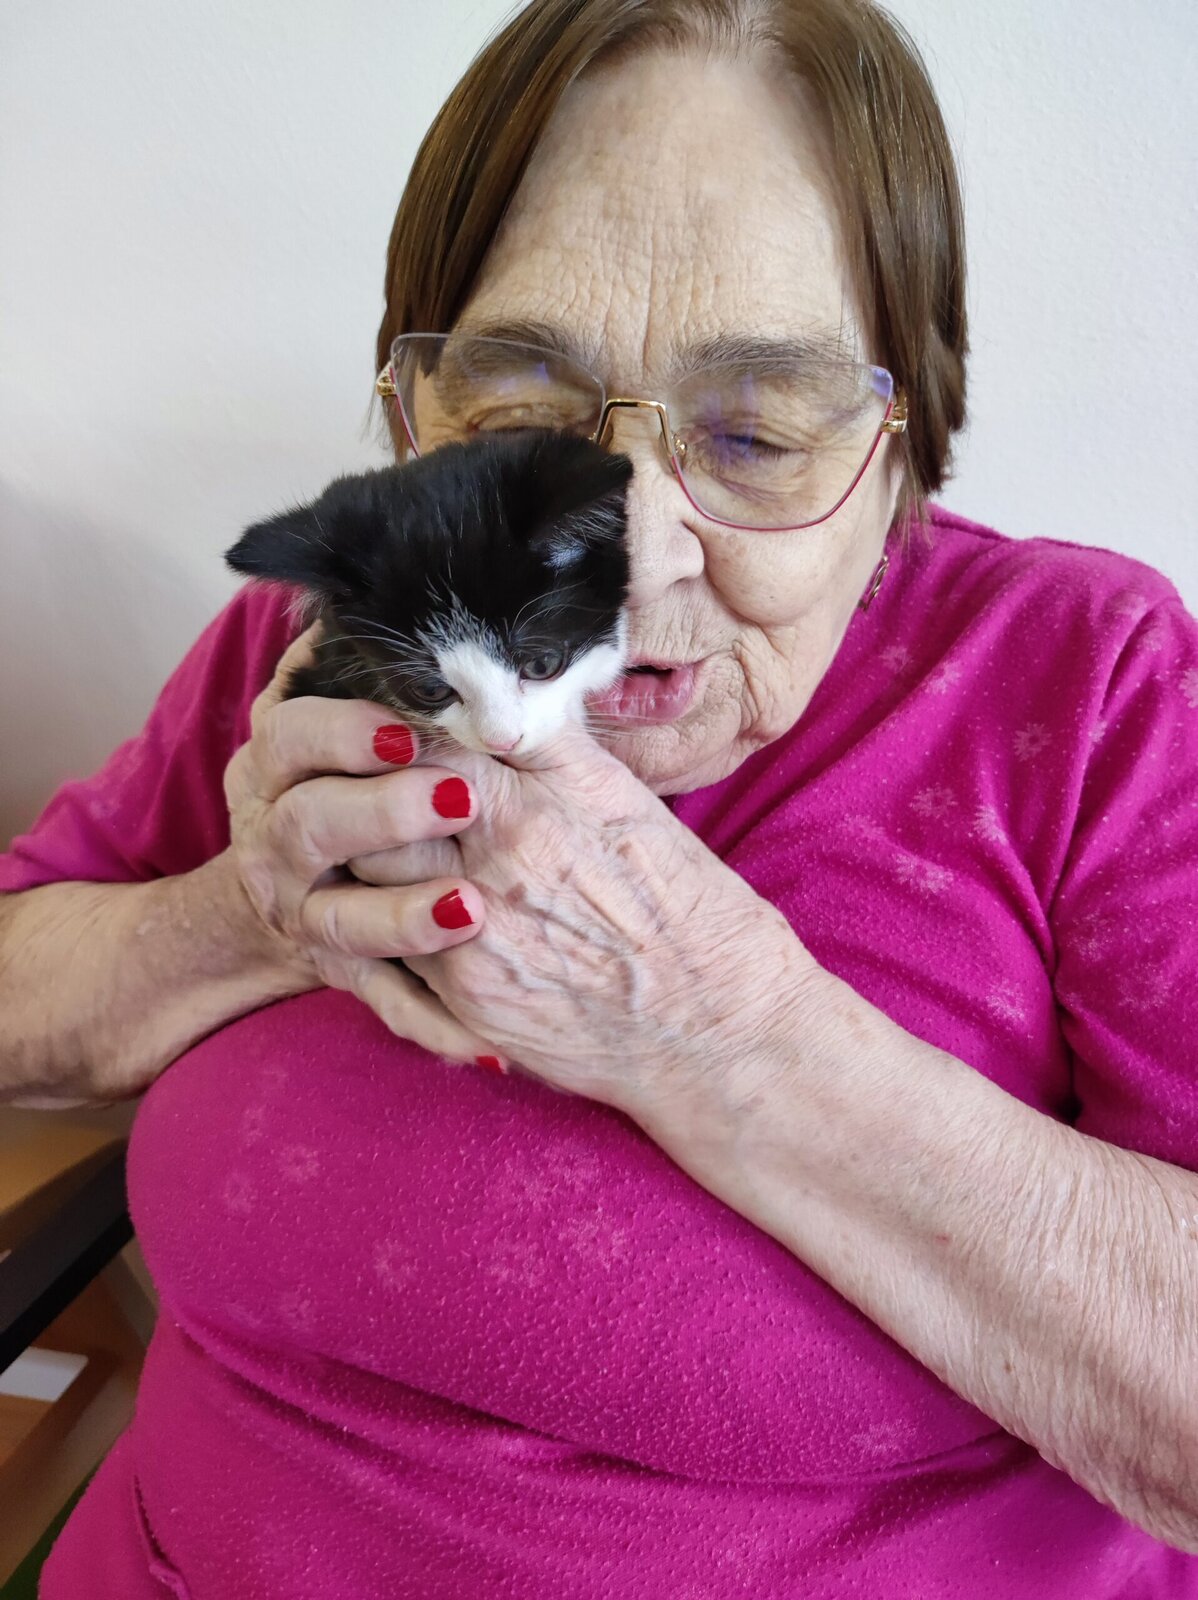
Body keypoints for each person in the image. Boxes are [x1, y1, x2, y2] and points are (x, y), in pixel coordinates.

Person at [3, 0, 1197, 1594]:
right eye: (520, 419)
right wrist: (258, 911)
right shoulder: (329, 637)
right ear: (415, 411)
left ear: (901, 449)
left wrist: (717, 1029)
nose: (620, 556)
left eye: (753, 432)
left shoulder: (1090, 686)